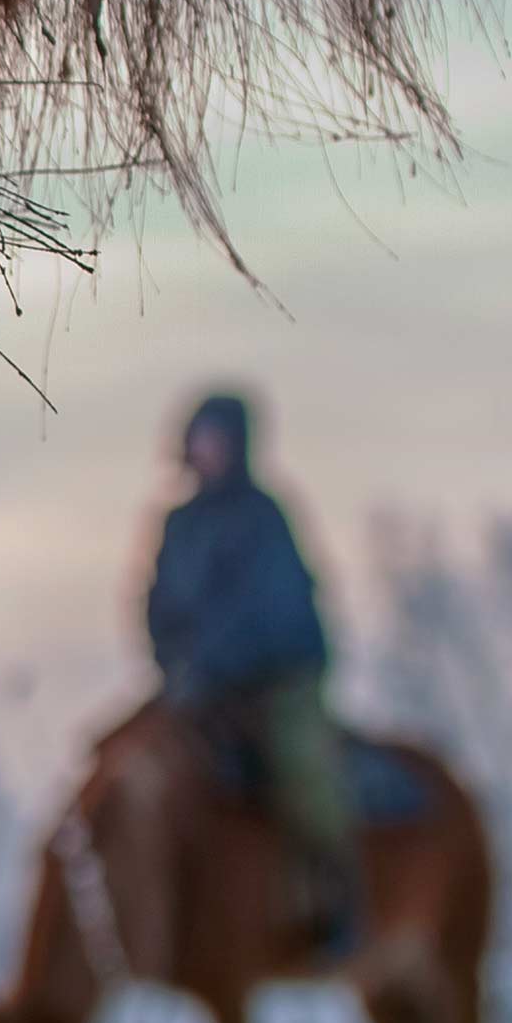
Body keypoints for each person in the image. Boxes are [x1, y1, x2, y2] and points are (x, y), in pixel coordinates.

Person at [144, 392, 357, 951]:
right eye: (199, 437)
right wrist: (173, 667)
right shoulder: (179, 524)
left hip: (279, 681)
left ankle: (338, 891)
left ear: (239, 444)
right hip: (198, 689)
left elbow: (274, 605)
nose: (206, 449)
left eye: (217, 437)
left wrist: (214, 664)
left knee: (300, 765)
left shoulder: (265, 515)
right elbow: (156, 604)